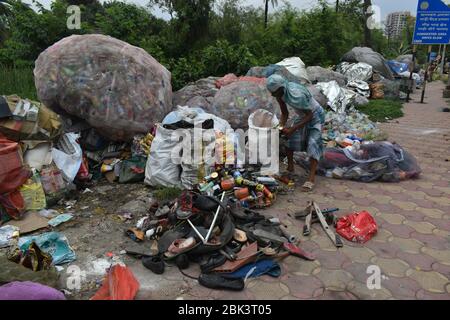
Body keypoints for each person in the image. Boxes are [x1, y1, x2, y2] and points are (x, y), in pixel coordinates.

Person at [266, 74, 325, 192]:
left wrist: (292, 129)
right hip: (303, 116)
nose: (272, 95)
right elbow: (284, 113)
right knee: (289, 140)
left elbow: (310, 115)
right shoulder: (280, 94)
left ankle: (311, 178)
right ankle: (290, 169)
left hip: (315, 115)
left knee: (313, 144)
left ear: (281, 88)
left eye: (274, 92)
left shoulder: (297, 95)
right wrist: (281, 127)